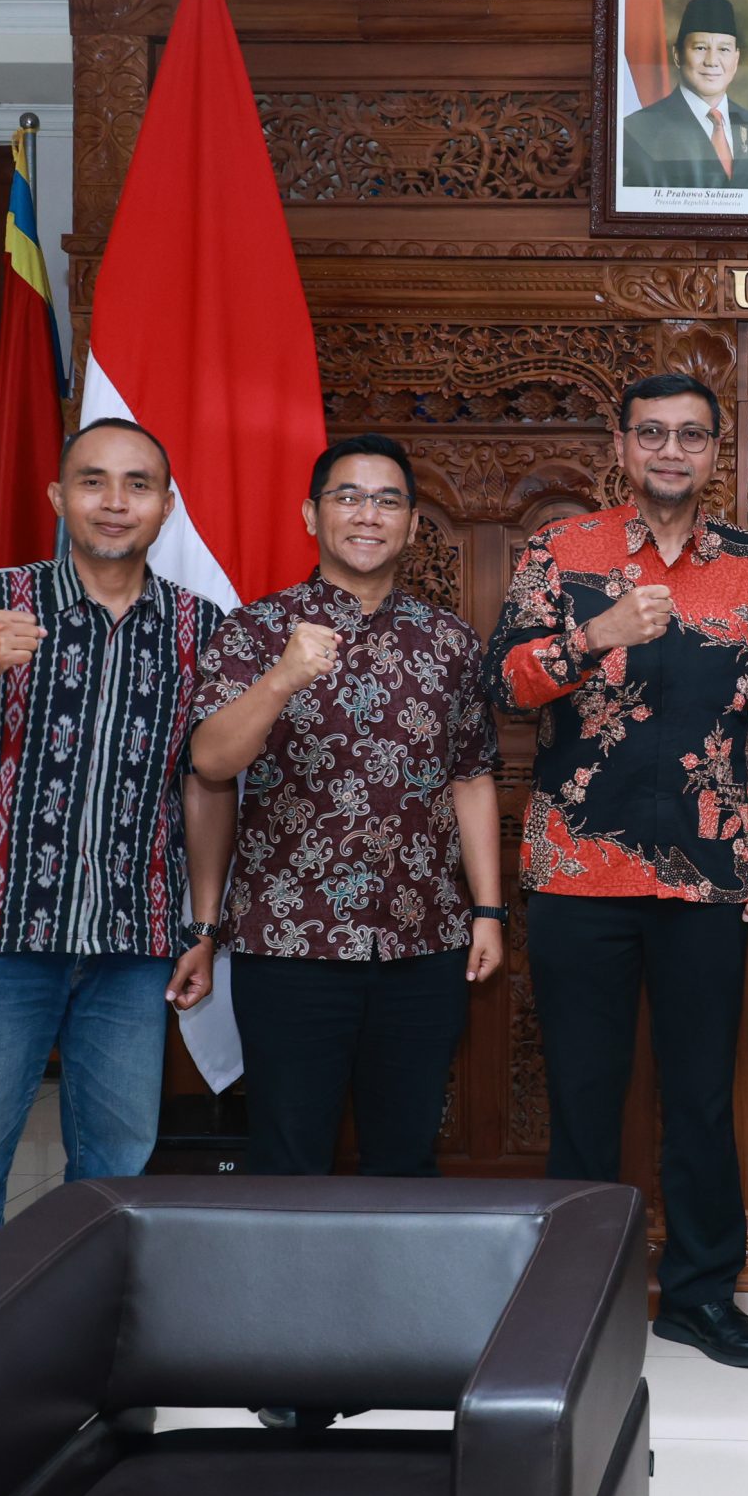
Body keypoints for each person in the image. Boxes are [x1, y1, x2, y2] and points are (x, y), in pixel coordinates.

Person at [485, 371, 748, 1368]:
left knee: (702, 1096)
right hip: (578, 871)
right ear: (621, 446)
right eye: (653, 434)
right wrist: (595, 635)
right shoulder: (563, 551)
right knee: (584, 1092)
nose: (672, 452)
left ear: (716, 453)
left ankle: (700, 1295)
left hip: (708, 875)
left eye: (692, 437)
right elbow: (504, 683)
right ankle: (578, 1296)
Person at [0, 418, 230, 1288]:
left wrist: (204, 924)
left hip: (132, 952)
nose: (115, 501)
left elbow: (207, 787)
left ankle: (86, 1361)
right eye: (94, 481)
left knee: (113, 1181)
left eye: (138, 483)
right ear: (59, 497)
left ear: (167, 506)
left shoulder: (200, 627)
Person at [187, 433, 503, 1179]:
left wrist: (487, 911)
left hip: (422, 943)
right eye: (349, 496)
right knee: (289, 1156)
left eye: (389, 500)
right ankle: (289, 1301)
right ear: (311, 514)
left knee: (405, 1155)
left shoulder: (450, 640)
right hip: (289, 944)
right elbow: (210, 761)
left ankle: (392, 1299)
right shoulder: (255, 631)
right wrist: (282, 678)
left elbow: (472, 776)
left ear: (413, 525)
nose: (369, 514)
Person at [620, 0, 748, 192]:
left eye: (724, 50)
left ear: (736, 60)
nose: (711, 61)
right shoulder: (638, 129)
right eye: (701, 48)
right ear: (677, 55)